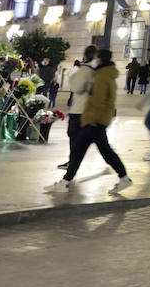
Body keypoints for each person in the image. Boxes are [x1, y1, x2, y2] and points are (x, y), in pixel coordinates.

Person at [47, 49, 133, 195]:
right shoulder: (107, 75)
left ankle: (124, 178)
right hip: (95, 121)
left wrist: (92, 121)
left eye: (97, 58)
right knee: (81, 153)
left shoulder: (101, 76)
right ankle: (65, 181)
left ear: (100, 60)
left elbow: (98, 100)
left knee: (102, 153)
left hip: (94, 122)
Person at [58, 44, 96, 170]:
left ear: (85, 56)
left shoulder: (84, 70)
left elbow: (75, 88)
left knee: (74, 137)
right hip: (89, 110)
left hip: (79, 108)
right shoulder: (97, 71)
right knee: (86, 139)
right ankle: (73, 163)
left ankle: (72, 163)